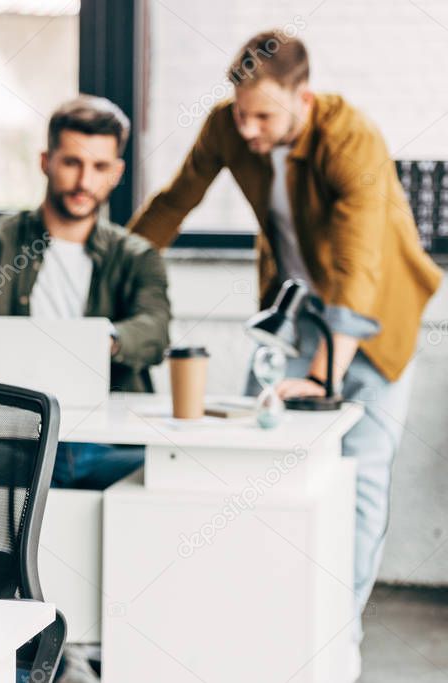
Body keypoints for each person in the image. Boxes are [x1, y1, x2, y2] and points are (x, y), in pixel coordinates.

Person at [128, 30, 442, 656]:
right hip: (294, 318)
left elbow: (359, 268)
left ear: (305, 97)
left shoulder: (351, 137)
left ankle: (336, 634)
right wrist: (112, 266)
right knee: (256, 462)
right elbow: (173, 202)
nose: (248, 130)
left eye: (263, 116)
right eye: (241, 113)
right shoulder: (229, 126)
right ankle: (265, 614)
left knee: (358, 479)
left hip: (377, 324)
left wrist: (323, 378)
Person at [0, 95, 172, 491]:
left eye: (100, 167)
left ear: (117, 172)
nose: (84, 182)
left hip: (106, 444)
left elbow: (155, 328)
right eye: (72, 163)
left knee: (168, 477)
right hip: (11, 442)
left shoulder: (137, 257)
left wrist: (104, 341)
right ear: (46, 162)